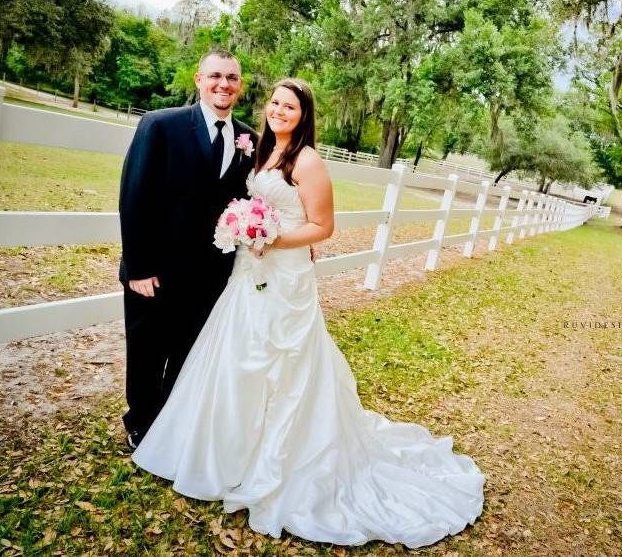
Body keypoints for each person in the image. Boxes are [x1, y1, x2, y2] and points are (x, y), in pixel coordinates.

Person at [132, 78, 485, 548]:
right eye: (275, 103)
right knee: (235, 355)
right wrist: (245, 227)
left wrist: (271, 239)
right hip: (247, 268)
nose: (279, 110)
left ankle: (275, 459)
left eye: (290, 106)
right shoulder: (260, 150)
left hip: (285, 274)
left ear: (304, 115)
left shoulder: (307, 159)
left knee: (283, 365)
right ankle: (223, 452)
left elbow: (324, 226)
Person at [118, 49, 258, 449]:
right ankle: (140, 421)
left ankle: (170, 422)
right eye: (215, 75)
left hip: (211, 275)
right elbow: (134, 196)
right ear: (199, 80)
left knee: (188, 352)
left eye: (232, 78)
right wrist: (139, 267)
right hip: (156, 270)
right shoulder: (161, 125)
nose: (223, 84)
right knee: (147, 351)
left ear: (240, 86)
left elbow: (255, 202)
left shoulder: (250, 138)